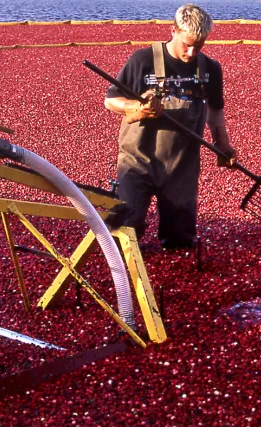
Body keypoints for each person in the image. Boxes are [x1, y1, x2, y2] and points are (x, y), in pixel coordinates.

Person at [103, 4, 236, 250]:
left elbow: (216, 111)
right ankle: (121, 271)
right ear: (173, 30)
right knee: (124, 231)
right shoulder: (143, 60)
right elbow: (111, 100)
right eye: (187, 44)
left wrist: (223, 144)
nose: (191, 52)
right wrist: (137, 107)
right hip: (138, 161)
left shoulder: (210, 69)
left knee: (180, 239)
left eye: (199, 45)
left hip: (182, 166)